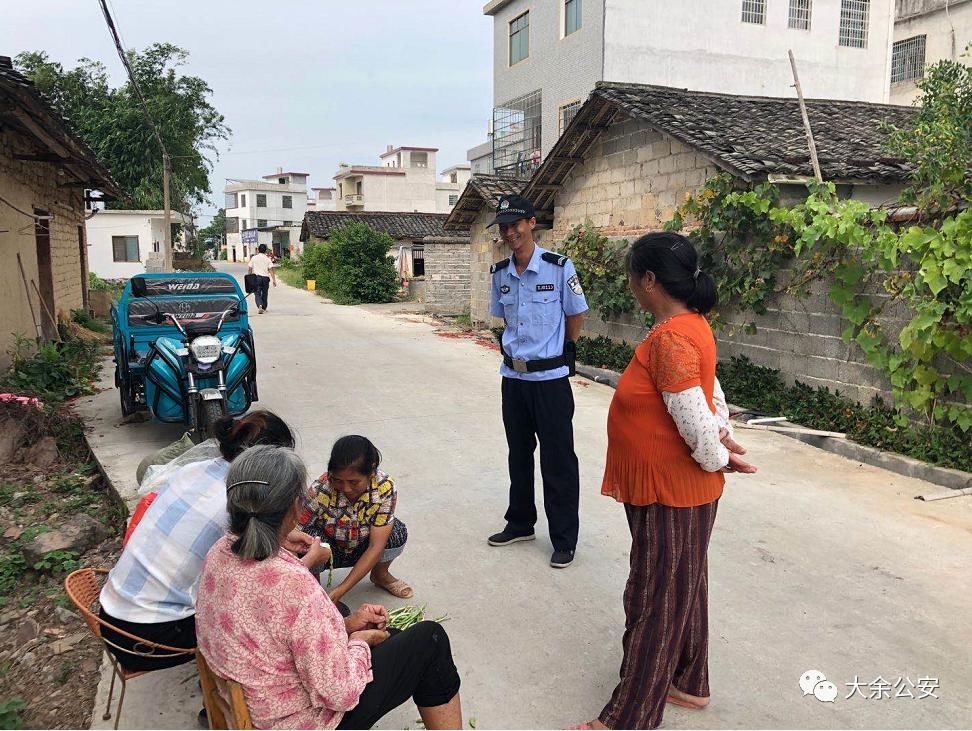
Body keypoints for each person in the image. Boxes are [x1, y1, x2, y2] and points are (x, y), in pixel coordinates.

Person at [571, 232, 756, 730]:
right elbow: (711, 394)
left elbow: (694, 414)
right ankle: (689, 682)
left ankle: (630, 716)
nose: (630, 284)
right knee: (684, 585)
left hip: (671, 491)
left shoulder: (673, 336)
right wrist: (725, 447)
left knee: (654, 599)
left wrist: (718, 454)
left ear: (648, 280)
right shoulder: (689, 326)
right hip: (678, 487)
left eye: (632, 276)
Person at [196, 445, 462, 730]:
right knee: (429, 640)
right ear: (294, 508)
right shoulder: (296, 587)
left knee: (383, 632)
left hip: (250, 693)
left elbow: (270, 609)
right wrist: (358, 642)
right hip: (297, 720)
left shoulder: (219, 551)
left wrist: (345, 625)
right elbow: (340, 694)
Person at [98, 411, 330, 672]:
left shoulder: (192, 471)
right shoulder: (232, 506)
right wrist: (309, 561)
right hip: (151, 641)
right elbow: (260, 584)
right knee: (264, 616)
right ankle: (228, 695)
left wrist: (282, 536)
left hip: (109, 618)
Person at [485, 194, 588, 569]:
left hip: (550, 380)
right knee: (518, 453)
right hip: (513, 378)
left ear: (531, 222)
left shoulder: (558, 268)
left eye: (516, 224)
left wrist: (566, 349)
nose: (510, 232)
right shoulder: (500, 275)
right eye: (504, 226)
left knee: (558, 459)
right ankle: (521, 522)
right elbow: (503, 320)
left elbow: (576, 313)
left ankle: (564, 538)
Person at [298, 435, 412, 601]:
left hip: (363, 546)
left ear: (372, 472)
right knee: (305, 540)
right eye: (338, 480)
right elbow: (294, 529)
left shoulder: (384, 488)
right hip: (329, 550)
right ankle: (313, 587)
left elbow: (375, 546)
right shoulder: (320, 490)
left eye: (353, 482)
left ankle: (380, 575)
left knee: (397, 532)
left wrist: (341, 590)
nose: (346, 488)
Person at [248, 244, 276, 314]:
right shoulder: (267, 259)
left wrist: (249, 278)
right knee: (265, 293)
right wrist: (274, 280)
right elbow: (271, 270)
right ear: (265, 250)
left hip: (257, 278)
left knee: (257, 293)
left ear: (258, 250)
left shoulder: (254, 258)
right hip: (265, 278)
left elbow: (250, 268)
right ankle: (264, 307)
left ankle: (260, 305)